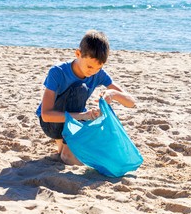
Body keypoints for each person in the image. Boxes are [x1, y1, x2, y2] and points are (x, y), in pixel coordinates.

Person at [36, 30, 136, 165]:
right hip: (51, 124)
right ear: (78, 54)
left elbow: (131, 102)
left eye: (98, 67)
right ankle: (65, 148)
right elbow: (46, 115)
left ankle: (63, 148)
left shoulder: (98, 74)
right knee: (80, 88)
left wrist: (113, 94)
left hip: (75, 120)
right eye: (89, 66)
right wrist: (84, 115)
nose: (93, 71)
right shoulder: (58, 72)